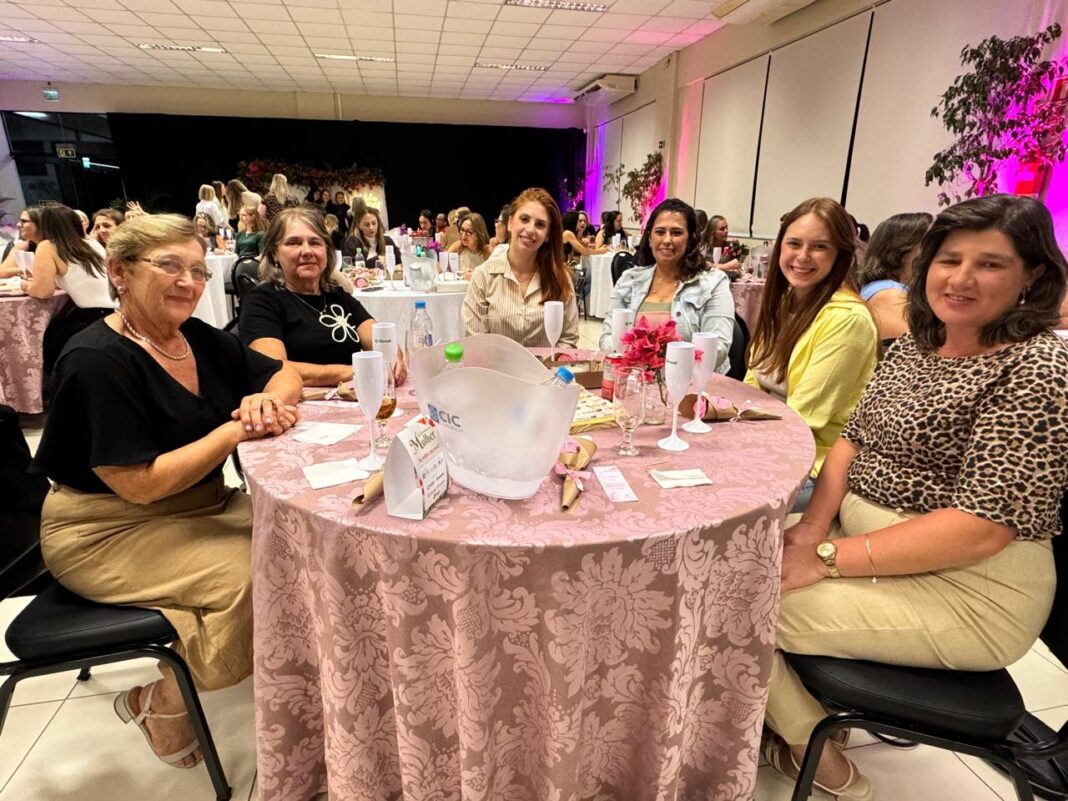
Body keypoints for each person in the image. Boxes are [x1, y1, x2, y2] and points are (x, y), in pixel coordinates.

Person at [763, 194, 1068, 801]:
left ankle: (811, 747)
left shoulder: (1038, 365)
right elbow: (850, 442)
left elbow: (980, 528)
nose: (961, 278)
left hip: (970, 588)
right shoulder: (914, 348)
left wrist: (824, 558)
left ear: (1032, 275)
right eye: (949, 260)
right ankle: (794, 719)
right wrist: (812, 528)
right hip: (869, 548)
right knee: (725, 564)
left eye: (990, 264)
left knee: (740, 608)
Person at [31, 213, 302, 770]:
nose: (189, 281)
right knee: (260, 574)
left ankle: (291, 674)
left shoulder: (194, 338)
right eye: (170, 266)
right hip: (104, 530)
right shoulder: (95, 361)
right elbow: (140, 485)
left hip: (199, 505)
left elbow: (281, 374)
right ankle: (161, 700)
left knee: (303, 542)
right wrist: (234, 430)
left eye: (199, 270)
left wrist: (266, 400)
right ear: (119, 272)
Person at [745, 198, 878, 512]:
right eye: (794, 244)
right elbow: (752, 378)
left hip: (815, 467)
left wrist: (738, 437)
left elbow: (803, 418)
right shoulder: (785, 301)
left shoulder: (847, 320)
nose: (803, 257)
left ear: (840, 255)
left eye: (819, 247)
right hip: (767, 444)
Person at [241, 207, 403, 387]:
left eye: (315, 242)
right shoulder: (262, 301)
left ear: (326, 251)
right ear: (274, 253)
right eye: (294, 243)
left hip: (353, 394)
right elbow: (273, 367)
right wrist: (357, 371)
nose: (307, 251)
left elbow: (380, 339)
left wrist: (394, 357)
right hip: (302, 400)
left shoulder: (337, 295)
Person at [598, 198, 735, 371]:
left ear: (690, 240)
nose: (667, 240)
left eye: (676, 233)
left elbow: (717, 350)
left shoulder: (714, 283)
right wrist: (642, 355)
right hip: (635, 378)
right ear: (650, 238)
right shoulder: (629, 280)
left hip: (693, 382)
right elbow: (607, 338)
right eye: (660, 232)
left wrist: (658, 358)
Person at [462, 187, 579, 348]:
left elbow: (568, 339)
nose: (530, 230)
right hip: (495, 364)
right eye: (524, 219)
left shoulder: (560, 278)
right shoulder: (483, 276)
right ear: (510, 223)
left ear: (547, 235)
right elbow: (476, 342)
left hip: (547, 365)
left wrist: (549, 362)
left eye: (540, 225)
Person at [21, 204, 115, 374]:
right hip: (117, 311)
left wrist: (26, 285)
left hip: (91, 318)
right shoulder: (90, 242)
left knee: (43, 340)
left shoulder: (48, 246)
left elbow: (42, 291)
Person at [857, 212, 932, 345]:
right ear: (901, 252)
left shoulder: (892, 290)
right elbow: (911, 349)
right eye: (930, 243)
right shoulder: (888, 294)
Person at [446, 212, 492, 278]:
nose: (464, 235)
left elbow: (493, 277)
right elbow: (443, 265)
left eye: (469, 232)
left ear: (478, 234)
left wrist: (476, 275)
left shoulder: (487, 251)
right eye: (462, 230)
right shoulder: (458, 247)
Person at [0, 206, 42, 277]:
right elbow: (1, 272)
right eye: (20, 221)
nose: (18, 225)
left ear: (40, 224)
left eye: (24, 221)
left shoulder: (52, 246)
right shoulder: (23, 246)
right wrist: (27, 269)